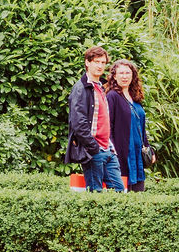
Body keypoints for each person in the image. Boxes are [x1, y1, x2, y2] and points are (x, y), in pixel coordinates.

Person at [65, 45, 122, 191]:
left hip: (107, 149)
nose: (100, 66)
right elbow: (78, 123)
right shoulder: (81, 88)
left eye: (103, 63)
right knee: (95, 194)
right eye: (96, 62)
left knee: (119, 191)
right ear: (87, 62)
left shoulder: (101, 86)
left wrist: (108, 147)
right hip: (93, 151)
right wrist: (93, 148)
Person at [108, 58, 153, 191]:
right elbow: (108, 125)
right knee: (123, 190)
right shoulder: (112, 96)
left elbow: (141, 126)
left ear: (133, 75)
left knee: (138, 191)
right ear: (114, 76)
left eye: (128, 73)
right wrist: (112, 151)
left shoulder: (135, 97)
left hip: (137, 151)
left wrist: (149, 147)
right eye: (121, 73)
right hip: (121, 153)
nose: (124, 76)